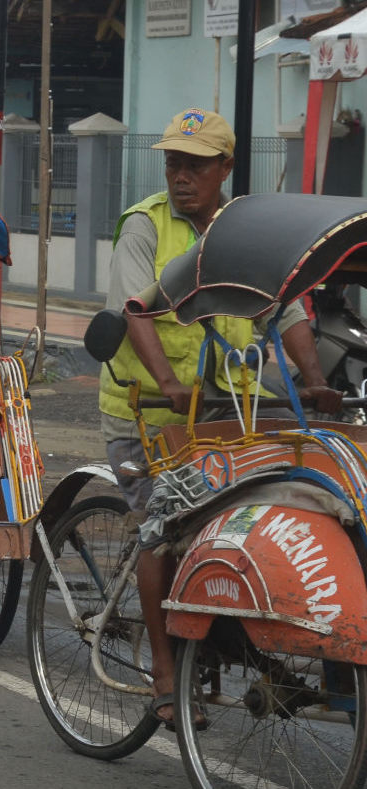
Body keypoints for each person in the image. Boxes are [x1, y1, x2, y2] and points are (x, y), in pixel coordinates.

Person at [101, 106, 341, 730]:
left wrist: (314, 384)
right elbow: (136, 310)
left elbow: (284, 314)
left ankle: (243, 634)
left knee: (270, 511)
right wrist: (169, 383)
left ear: (225, 168)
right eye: (173, 163)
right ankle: (161, 670)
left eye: (196, 165)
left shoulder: (244, 228)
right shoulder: (145, 226)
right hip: (146, 413)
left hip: (227, 414)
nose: (181, 176)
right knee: (163, 523)